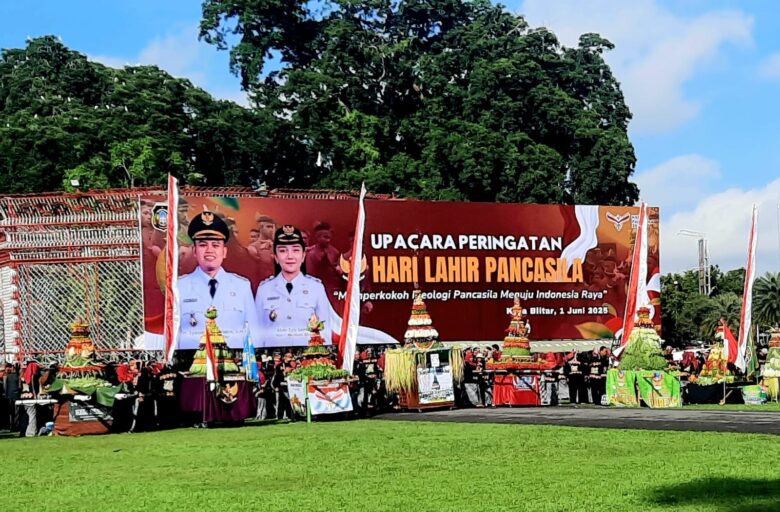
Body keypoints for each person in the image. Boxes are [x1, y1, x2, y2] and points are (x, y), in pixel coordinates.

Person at [177, 209, 263, 349]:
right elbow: (173, 337)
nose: (209, 250)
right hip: (194, 366)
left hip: (234, 365)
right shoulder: (179, 287)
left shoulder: (242, 286)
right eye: (203, 245)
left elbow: (254, 335)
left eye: (216, 245)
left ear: (224, 252)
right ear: (194, 251)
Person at [256, 225, 332, 347]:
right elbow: (257, 334)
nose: (290, 256)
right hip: (273, 362)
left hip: (308, 362)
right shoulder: (264, 290)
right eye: (283, 250)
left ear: (303, 256)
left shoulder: (316, 288)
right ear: (275, 257)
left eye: (295, 250)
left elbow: (325, 333)